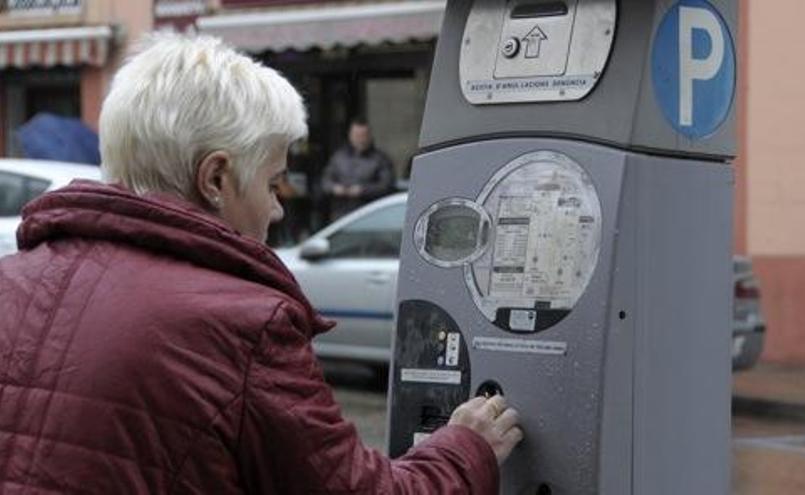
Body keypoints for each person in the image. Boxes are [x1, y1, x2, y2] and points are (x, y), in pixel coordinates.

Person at [0, 34, 522, 494]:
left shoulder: (11, 281)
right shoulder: (241, 325)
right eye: (272, 183)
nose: (277, 207)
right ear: (215, 179)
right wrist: (465, 448)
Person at [321, 117, 395, 220]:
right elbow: (325, 181)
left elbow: (387, 185)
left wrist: (363, 190)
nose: (360, 139)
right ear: (350, 135)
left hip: (369, 216)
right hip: (341, 217)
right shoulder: (339, 157)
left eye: (363, 135)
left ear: (369, 136)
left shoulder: (380, 159)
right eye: (357, 135)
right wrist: (335, 188)